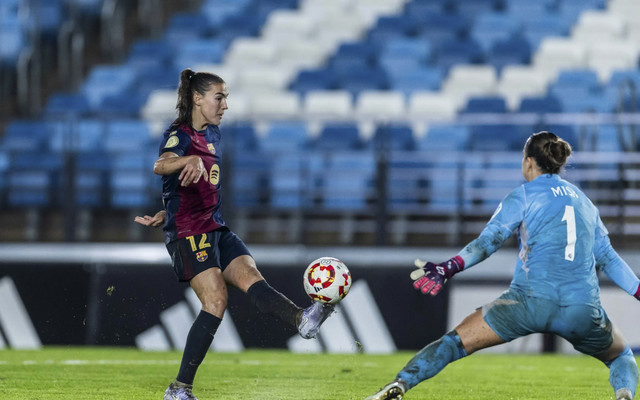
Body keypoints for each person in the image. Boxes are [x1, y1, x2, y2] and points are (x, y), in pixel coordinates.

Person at [366, 131, 640, 400]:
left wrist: (448, 267)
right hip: (581, 309)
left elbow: (487, 243)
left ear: (528, 161)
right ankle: (624, 396)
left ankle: (401, 385)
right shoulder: (586, 203)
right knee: (621, 356)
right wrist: (638, 291)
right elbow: (609, 259)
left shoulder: (523, 195)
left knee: (452, 344)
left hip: (527, 304)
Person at [135, 68, 334, 400]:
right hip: (189, 234)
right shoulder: (180, 135)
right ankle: (178, 390)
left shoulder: (214, 133)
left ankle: (301, 319)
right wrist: (188, 162)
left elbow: (185, 188)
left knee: (251, 275)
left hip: (215, 226)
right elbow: (161, 164)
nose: (225, 105)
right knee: (215, 299)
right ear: (197, 99)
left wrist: (165, 209)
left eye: (226, 97)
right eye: (219, 97)